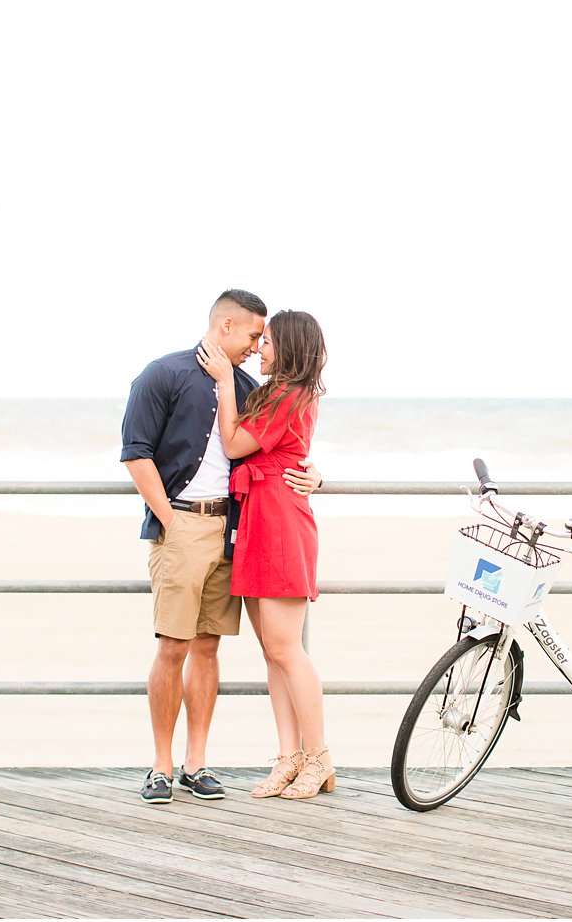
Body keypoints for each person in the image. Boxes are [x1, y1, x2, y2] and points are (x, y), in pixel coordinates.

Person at [121, 289, 322, 805]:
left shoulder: (252, 388)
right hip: (183, 526)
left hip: (238, 529)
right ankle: (161, 766)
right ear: (227, 326)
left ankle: (196, 763)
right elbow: (135, 451)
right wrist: (167, 517)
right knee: (173, 646)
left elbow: (277, 443)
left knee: (209, 647)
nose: (258, 347)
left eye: (266, 339)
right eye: (255, 335)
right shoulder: (162, 374)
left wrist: (314, 475)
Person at [197, 310, 332, 800]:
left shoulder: (289, 395)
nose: (260, 349)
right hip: (260, 516)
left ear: (290, 346)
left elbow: (234, 445)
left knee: (286, 650)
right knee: (273, 653)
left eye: (269, 341)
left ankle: (317, 757)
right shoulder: (281, 393)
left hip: (277, 519)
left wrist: (223, 382)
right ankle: (290, 757)